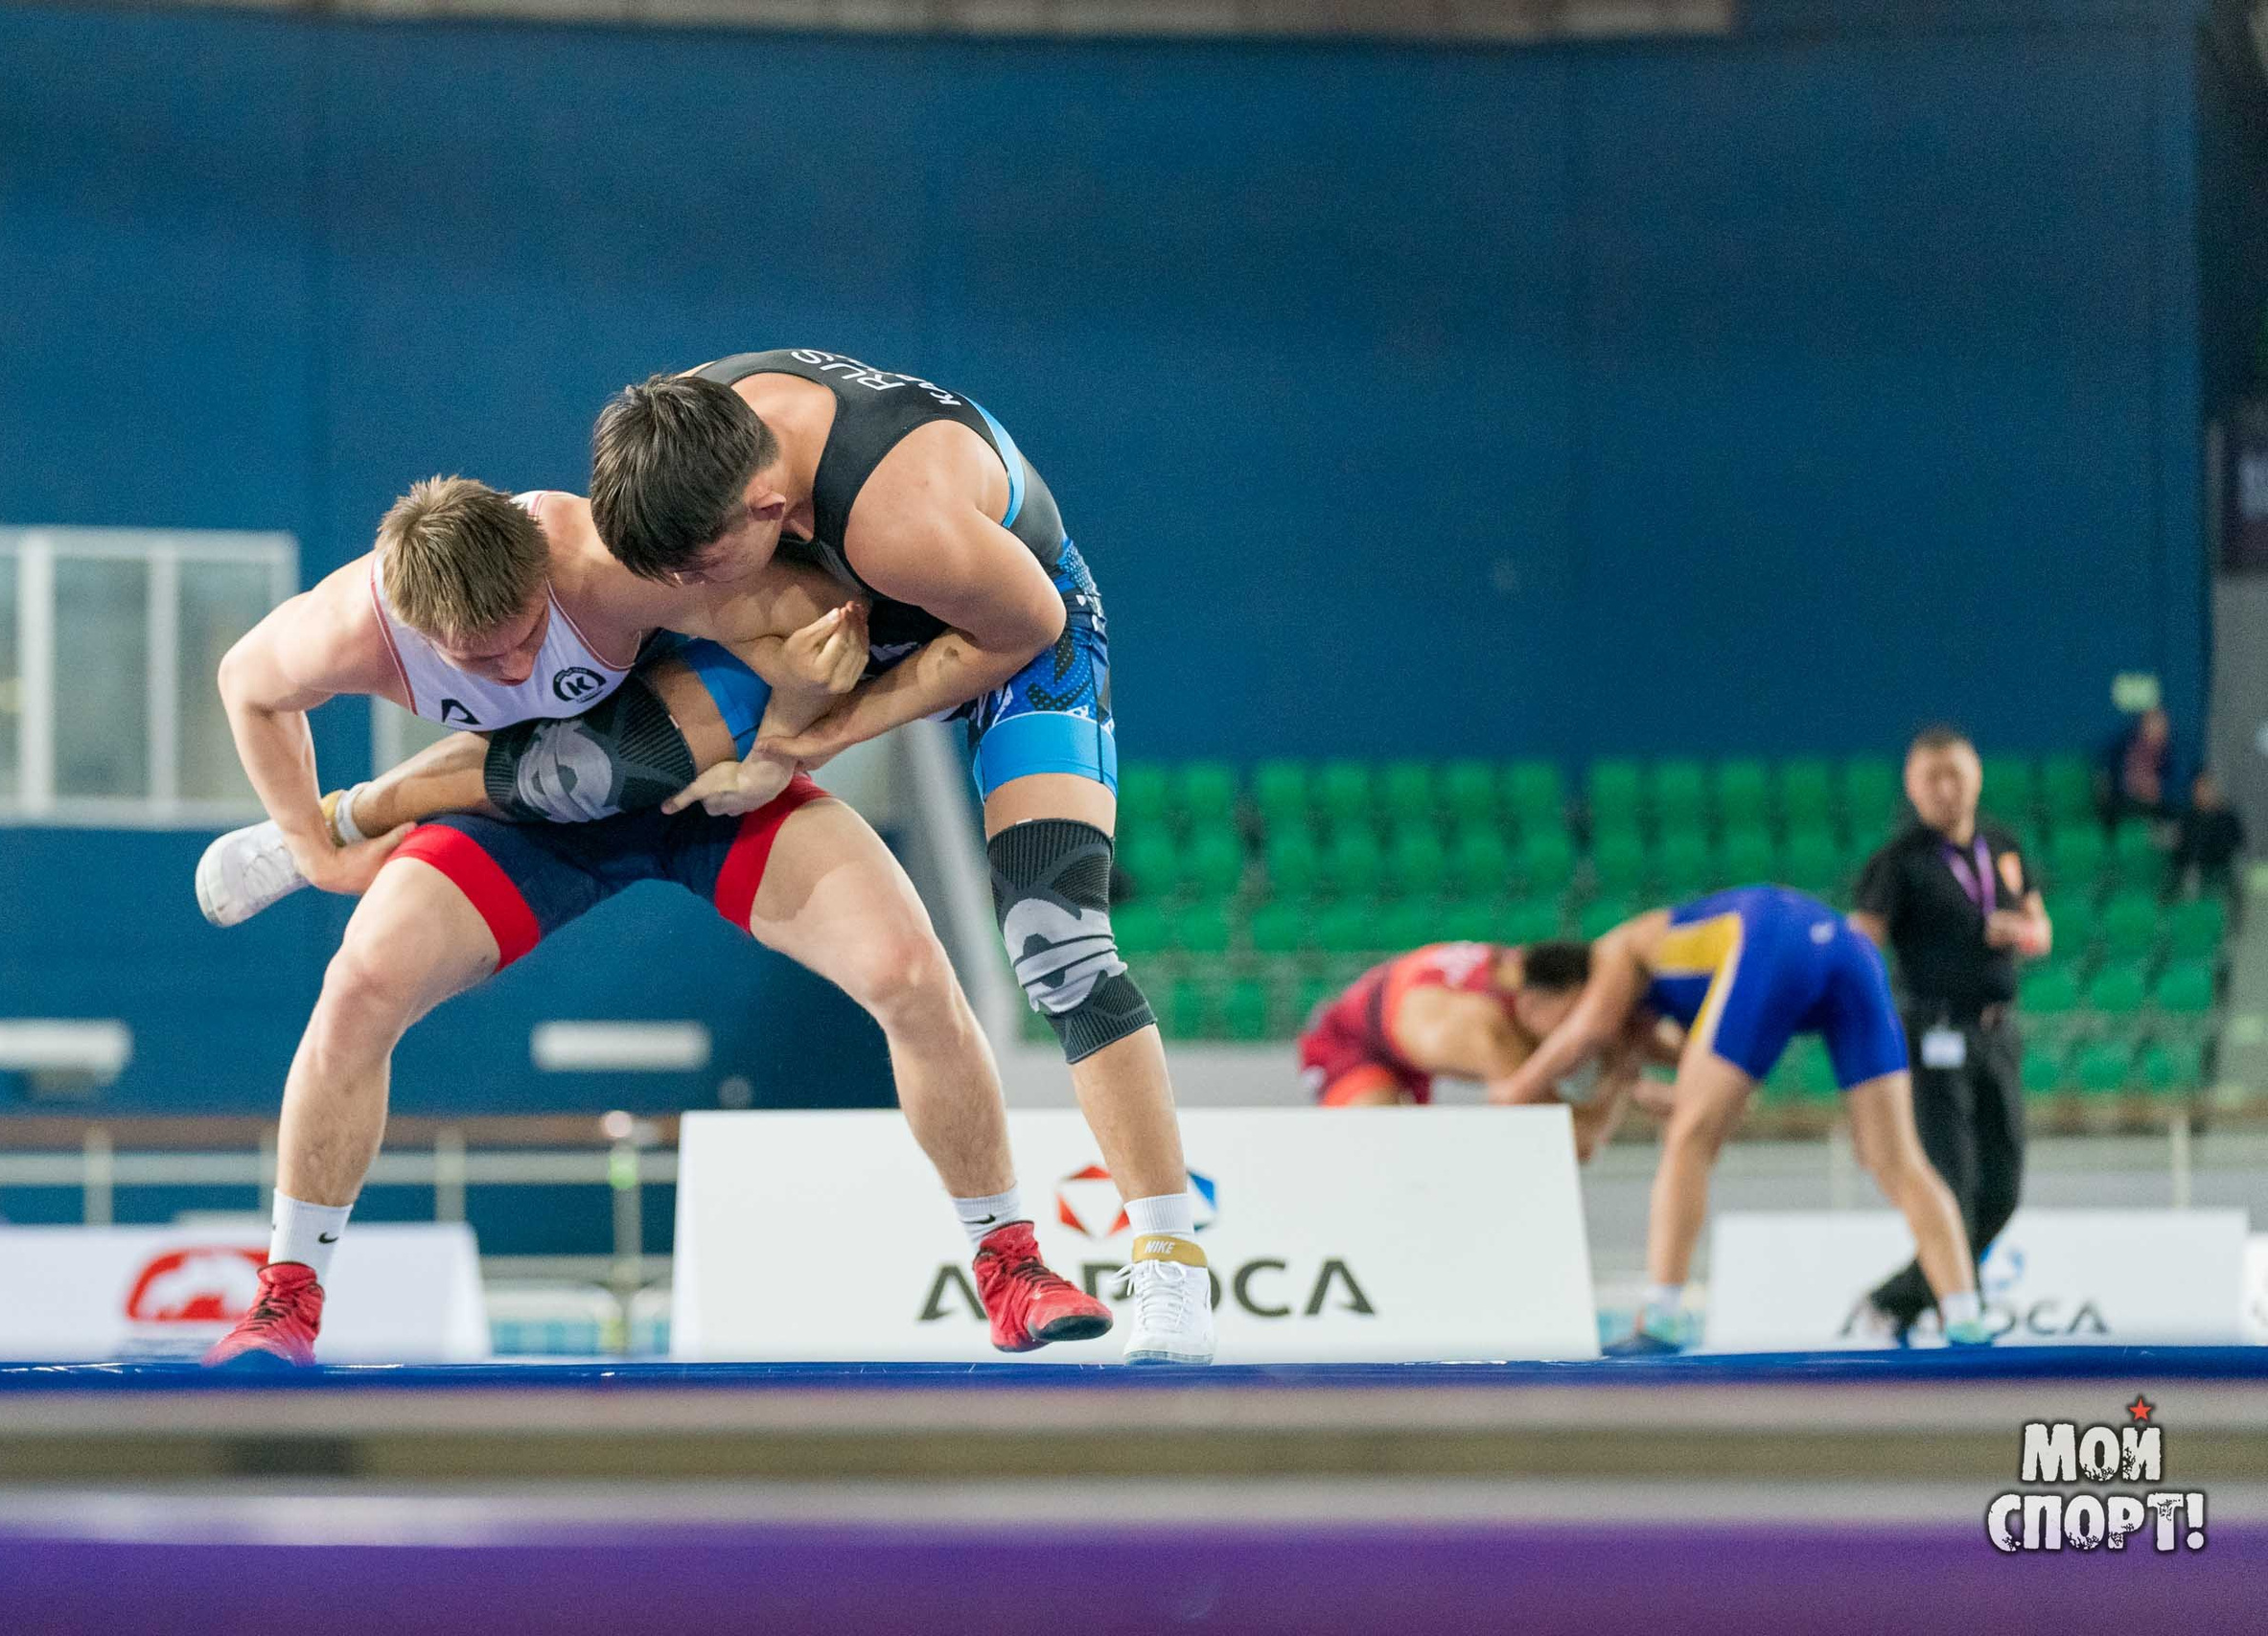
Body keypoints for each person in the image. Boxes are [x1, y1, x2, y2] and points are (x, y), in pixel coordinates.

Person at [197, 477, 1109, 1365]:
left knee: (907, 970)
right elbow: (247, 685)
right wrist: (310, 850)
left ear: (542, 572)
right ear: (416, 630)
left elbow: (824, 619)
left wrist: (784, 726)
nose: (515, 670)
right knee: (359, 985)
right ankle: (286, 1301)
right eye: (481, 661)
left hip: (700, 786)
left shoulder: (607, 562)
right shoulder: (352, 626)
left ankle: (1011, 1266)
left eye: (528, 637)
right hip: (525, 820)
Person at [581, 351, 1214, 1363]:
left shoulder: (897, 515)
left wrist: (819, 734)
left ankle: (1170, 1261)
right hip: (854, 600)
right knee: (598, 756)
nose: (687, 589)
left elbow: (1025, 630)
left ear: (771, 509)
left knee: (1058, 945)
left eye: (700, 566)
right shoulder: (680, 441)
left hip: (1015, 622)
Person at [1486, 884, 1991, 1354]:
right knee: (1898, 1160)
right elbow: (1729, 1095)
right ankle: (1965, 1316)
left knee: (1687, 1140)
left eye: (1540, 1017)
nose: (1547, 1036)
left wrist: (1515, 1089)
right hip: (1847, 949)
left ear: (1569, 989)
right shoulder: (1660, 1004)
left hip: (1771, 939)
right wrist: (1656, 1095)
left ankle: (1662, 1316)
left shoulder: (1614, 952)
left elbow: (1587, 1032)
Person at [1848, 726, 2051, 1343]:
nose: (1945, 789)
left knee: (2004, 1190)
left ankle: (1901, 1297)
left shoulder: (2002, 845)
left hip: (1997, 1034)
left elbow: (2041, 931)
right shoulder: (1898, 862)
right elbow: (1859, 950)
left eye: (1954, 775)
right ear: (1911, 787)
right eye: (1930, 778)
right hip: (1933, 1039)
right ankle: (1954, 1305)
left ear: (1976, 777)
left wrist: (2016, 932)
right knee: (1952, 1189)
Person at [1301, 939, 1672, 1162]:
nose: (1589, 1030)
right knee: (1378, 1156)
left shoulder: (1526, 977)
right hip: (1348, 1042)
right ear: (1534, 1006)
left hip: (1397, 1008)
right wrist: (1621, 1074)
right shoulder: (1486, 1031)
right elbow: (1571, 1145)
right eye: (1576, 1019)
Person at [2168, 770, 2246, 896]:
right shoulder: (2189, 819)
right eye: (2199, 790)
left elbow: (2236, 844)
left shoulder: (2227, 818)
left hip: (2221, 869)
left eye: (2207, 789)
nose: (2203, 794)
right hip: (2194, 870)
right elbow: (2182, 849)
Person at [2101, 706, 2180, 830]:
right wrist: (2134, 786)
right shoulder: (2125, 747)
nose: (2158, 730)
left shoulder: (2170, 755)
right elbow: (2113, 776)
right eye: (2152, 724)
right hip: (2125, 800)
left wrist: (2158, 789)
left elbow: (2173, 784)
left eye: (2161, 725)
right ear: (2142, 726)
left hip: (2156, 805)